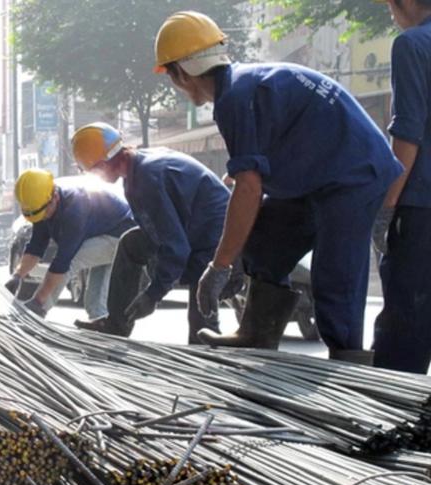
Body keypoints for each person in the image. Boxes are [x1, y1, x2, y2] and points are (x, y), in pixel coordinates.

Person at [153, 11, 403, 361]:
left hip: (353, 177)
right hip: (319, 179)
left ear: (180, 72)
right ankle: (257, 332)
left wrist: (220, 266)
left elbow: (250, 190)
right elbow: (257, 173)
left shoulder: (235, 98)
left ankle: (349, 364)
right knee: (262, 240)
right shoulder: (243, 86)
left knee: (334, 276)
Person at [71, 123, 232, 342]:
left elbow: (176, 247)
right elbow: (159, 231)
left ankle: (214, 358)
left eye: (91, 170)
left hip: (216, 241)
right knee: (132, 243)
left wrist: (153, 294)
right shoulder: (137, 170)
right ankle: (117, 323)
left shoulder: (147, 178)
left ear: (103, 163)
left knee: (201, 331)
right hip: (195, 230)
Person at [372, 0, 431, 374]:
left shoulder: (411, 45)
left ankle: (396, 426)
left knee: (404, 329)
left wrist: (386, 206)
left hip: (422, 211)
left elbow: (408, 133)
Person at [7, 168, 136, 319]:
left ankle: (39, 310)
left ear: (54, 196)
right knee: (96, 300)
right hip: (105, 233)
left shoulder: (75, 209)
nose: (43, 218)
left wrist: (37, 301)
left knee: (71, 261)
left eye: (44, 213)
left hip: (123, 236)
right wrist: (17, 276)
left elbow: (63, 262)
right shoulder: (42, 206)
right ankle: (100, 320)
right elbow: (36, 247)